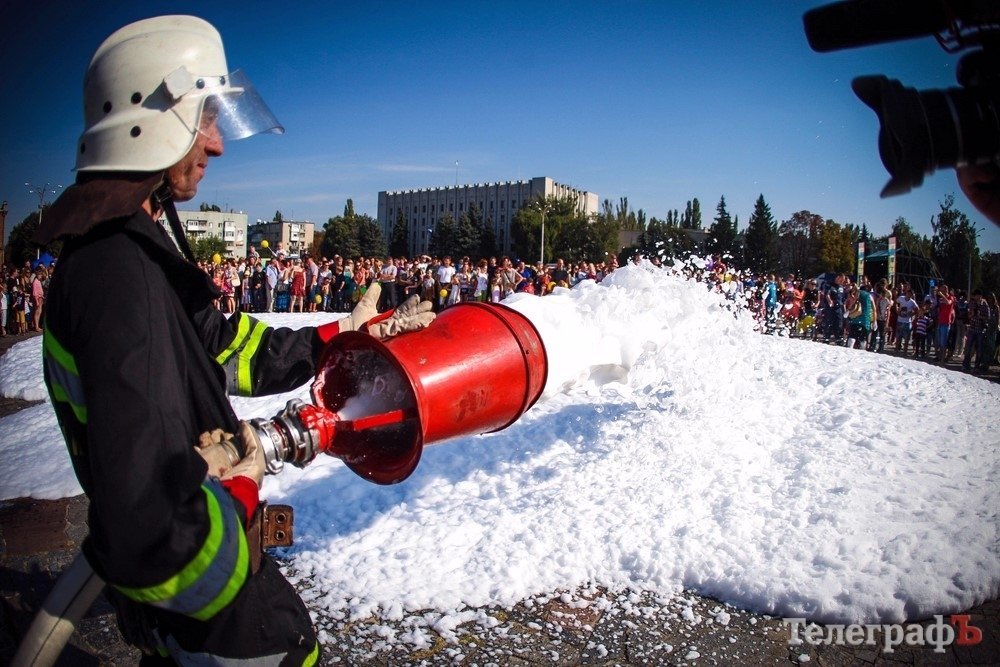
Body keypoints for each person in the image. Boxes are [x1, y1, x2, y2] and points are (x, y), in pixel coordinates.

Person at [33, 16, 434, 664]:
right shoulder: (118, 279)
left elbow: (220, 346)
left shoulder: (129, 252)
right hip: (209, 614)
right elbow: (152, 534)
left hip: (204, 592)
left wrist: (341, 334)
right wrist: (244, 484)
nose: (216, 144)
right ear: (149, 121)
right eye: (205, 119)